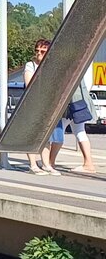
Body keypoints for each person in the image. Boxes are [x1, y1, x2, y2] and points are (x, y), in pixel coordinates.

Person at [25, 40, 97, 175]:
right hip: (71, 103)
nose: (39, 54)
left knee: (58, 135)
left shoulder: (62, 65)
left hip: (65, 104)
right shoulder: (33, 65)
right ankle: (44, 163)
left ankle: (50, 162)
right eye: (37, 51)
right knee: (75, 132)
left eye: (43, 51)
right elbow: (30, 84)